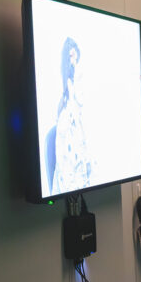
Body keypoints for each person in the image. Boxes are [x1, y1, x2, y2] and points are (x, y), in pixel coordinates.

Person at [51, 36, 91, 195]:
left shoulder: (79, 75)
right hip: (67, 132)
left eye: (75, 55)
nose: (73, 59)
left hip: (77, 128)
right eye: (70, 56)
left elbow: (81, 101)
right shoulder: (64, 79)